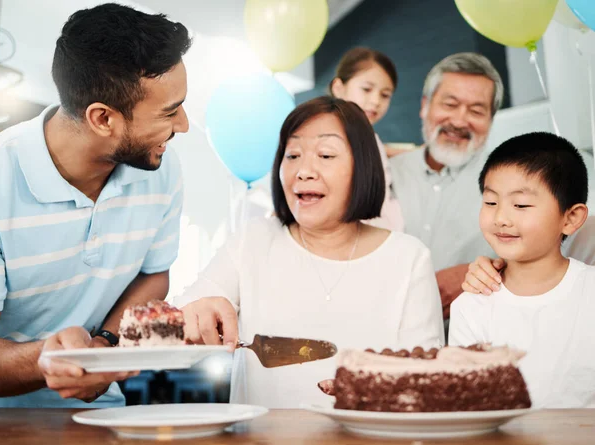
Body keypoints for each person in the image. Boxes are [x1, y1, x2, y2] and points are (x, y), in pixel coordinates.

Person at [175, 97, 444, 409]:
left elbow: (428, 380)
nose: (303, 171)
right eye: (292, 155)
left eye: (326, 154)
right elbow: (186, 311)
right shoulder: (253, 240)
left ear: (363, 167)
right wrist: (200, 312)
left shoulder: (408, 258)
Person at [0, 3, 191, 407]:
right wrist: (49, 360)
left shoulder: (162, 168)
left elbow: (153, 276)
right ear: (103, 118)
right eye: (170, 112)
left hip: (105, 414)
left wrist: (103, 345)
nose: (184, 125)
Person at [449, 132, 595, 408]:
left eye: (521, 205)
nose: (501, 218)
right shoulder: (471, 306)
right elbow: (467, 405)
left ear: (571, 217)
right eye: (490, 202)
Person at [390, 52, 503, 318]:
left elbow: (547, 254)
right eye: (450, 104)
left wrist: (495, 270)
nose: (459, 121)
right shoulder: (385, 175)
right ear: (425, 105)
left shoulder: (510, 181)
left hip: (473, 345)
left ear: (490, 119)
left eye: (476, 110)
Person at [329, 47, 404, 231]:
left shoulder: (371, 138)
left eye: (385, 95)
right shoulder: (329, 137)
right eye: (367, 89)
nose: (376, 101)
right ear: (339, 88)